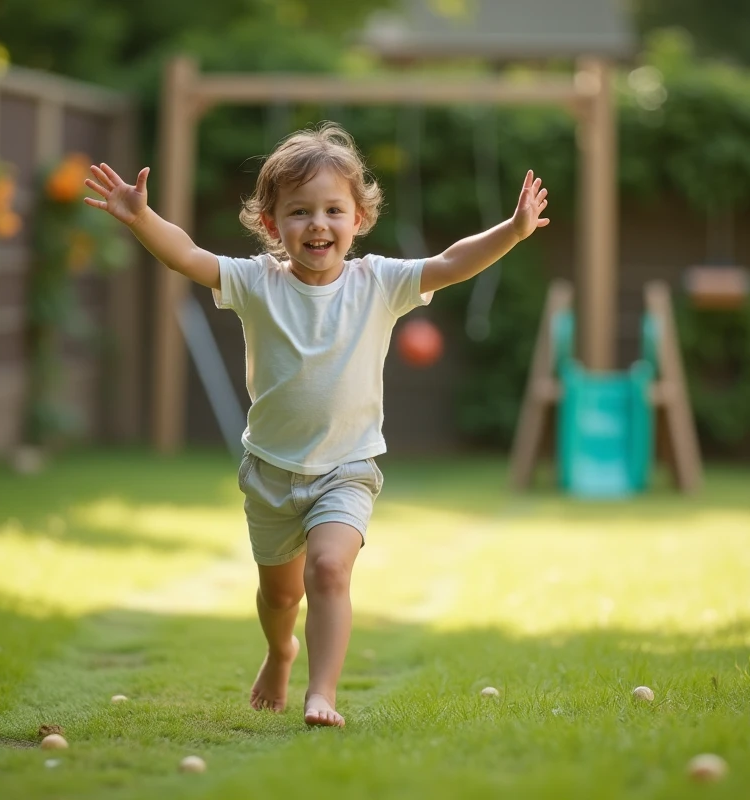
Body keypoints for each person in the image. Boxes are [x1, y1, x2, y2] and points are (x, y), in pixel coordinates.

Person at [84, 123, 549, 727]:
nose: (318, 224)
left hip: (346, 469)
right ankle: (281, 651)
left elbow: (451, 262)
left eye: (333, 210)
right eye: (299, 211)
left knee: (328, 568)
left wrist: (512, 230)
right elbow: (190, 256)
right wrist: (142, 218)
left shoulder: (378, 283)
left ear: (359, 218)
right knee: (280, 596)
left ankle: (321, 693)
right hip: (271, 470)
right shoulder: (257, 282)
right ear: (272, 223)